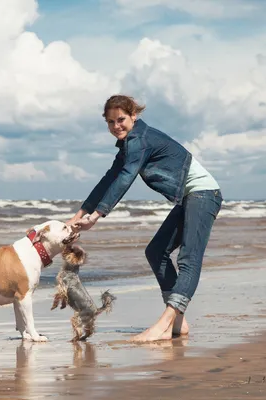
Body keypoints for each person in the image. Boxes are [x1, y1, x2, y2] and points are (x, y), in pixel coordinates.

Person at [67, 94, 222, 342]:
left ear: (134, 116)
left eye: (121, 120)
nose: (116, 126)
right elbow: (108, 180)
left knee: (188, 259)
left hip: (204, 194)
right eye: (110, 122)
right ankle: (178, 324)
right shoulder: (130, 145)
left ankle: (164, 324)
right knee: (156, 251)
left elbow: (124, 180)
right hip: (190, 197)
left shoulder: (141, 139)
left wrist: (97, 215)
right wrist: (77, 216)